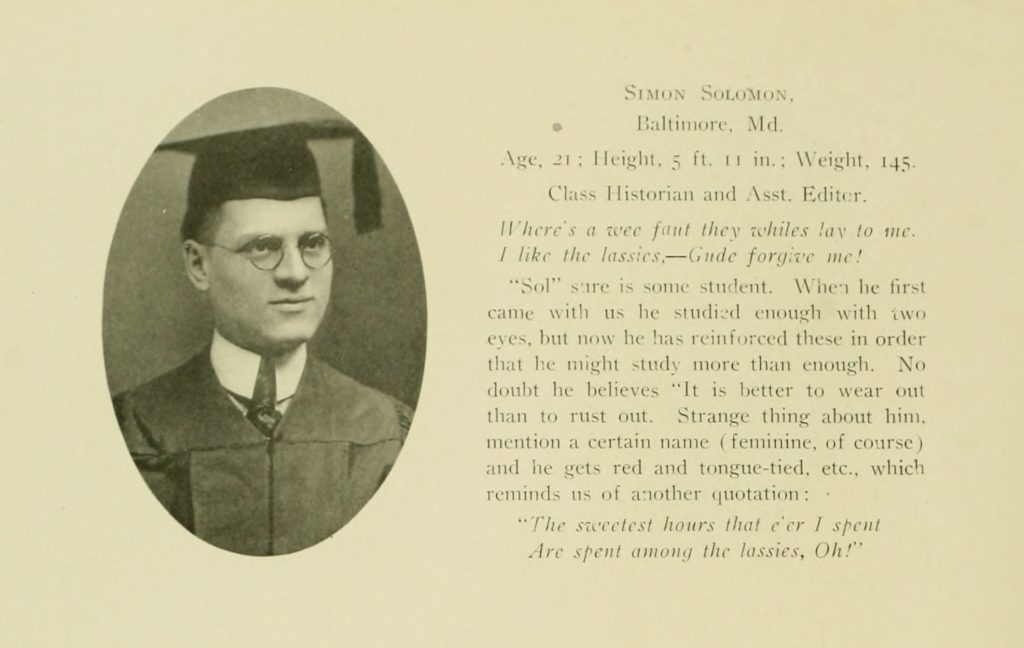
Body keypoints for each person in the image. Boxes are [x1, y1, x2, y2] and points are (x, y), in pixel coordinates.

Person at [113, 122, 413, 556]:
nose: (295, 272)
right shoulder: (133, 432)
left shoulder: (383, 431)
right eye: (263, 247)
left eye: (313, 243)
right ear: (198, 265)